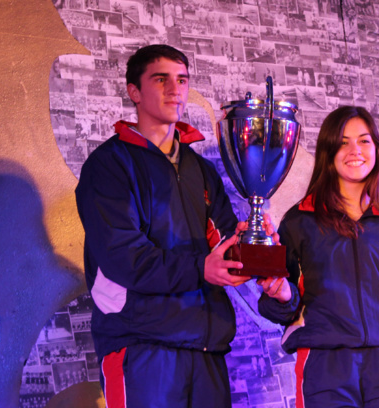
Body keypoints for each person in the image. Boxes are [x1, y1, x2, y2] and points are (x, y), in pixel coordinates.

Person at [75, 44, 257, 407]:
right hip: (141, 344)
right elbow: (124, 258)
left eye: (182, 80)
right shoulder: (108, 166)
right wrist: (202, 268)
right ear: (134, 92)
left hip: (206, 347)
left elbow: (220, 243)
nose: (175, 90)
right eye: (161, 79)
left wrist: (250, 243)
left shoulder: (201, 170)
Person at [257, 106, 379, 408]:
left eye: (364, 141)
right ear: (328, 151)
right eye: (343, 142)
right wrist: (280, 295)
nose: (354, 150)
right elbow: (283, 305)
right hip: (325, 365)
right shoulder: (299, 221)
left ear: (377, 150)